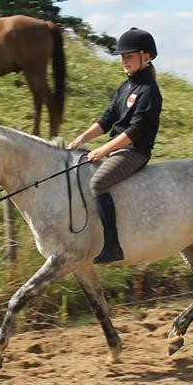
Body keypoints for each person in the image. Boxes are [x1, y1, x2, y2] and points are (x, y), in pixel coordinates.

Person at [68, 27, 163, 264]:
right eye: (122, 57)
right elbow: (107, 119)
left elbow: (135, 132)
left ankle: (112, 245)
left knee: (98, 182)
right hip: (117, 148)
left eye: (129, 56)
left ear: (146, 56)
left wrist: (103, 149)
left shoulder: (149, 91)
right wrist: (82, 139)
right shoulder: (125, 87)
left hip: (134, 151)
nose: (124, 61)